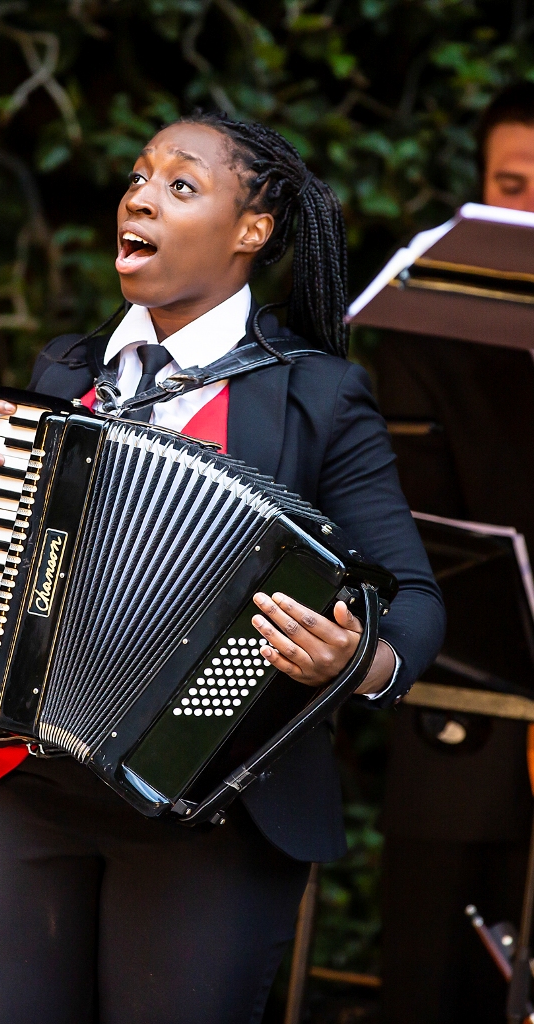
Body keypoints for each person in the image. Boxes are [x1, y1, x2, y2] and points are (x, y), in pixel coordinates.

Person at [0, 113, 444, 1024]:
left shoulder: (316, 395)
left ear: (250, 231)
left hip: (211, 816)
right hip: (38, 787)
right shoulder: (67, 374)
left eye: (181, 184)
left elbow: (414, 601)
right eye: (137, 176)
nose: (138, 195)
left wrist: (359, 661)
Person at [375, 82, 534, 1024]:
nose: (529, 213)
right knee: (436, 980)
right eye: (510, 187)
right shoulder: (420, 332)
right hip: (465, 706)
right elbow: (420, 537)